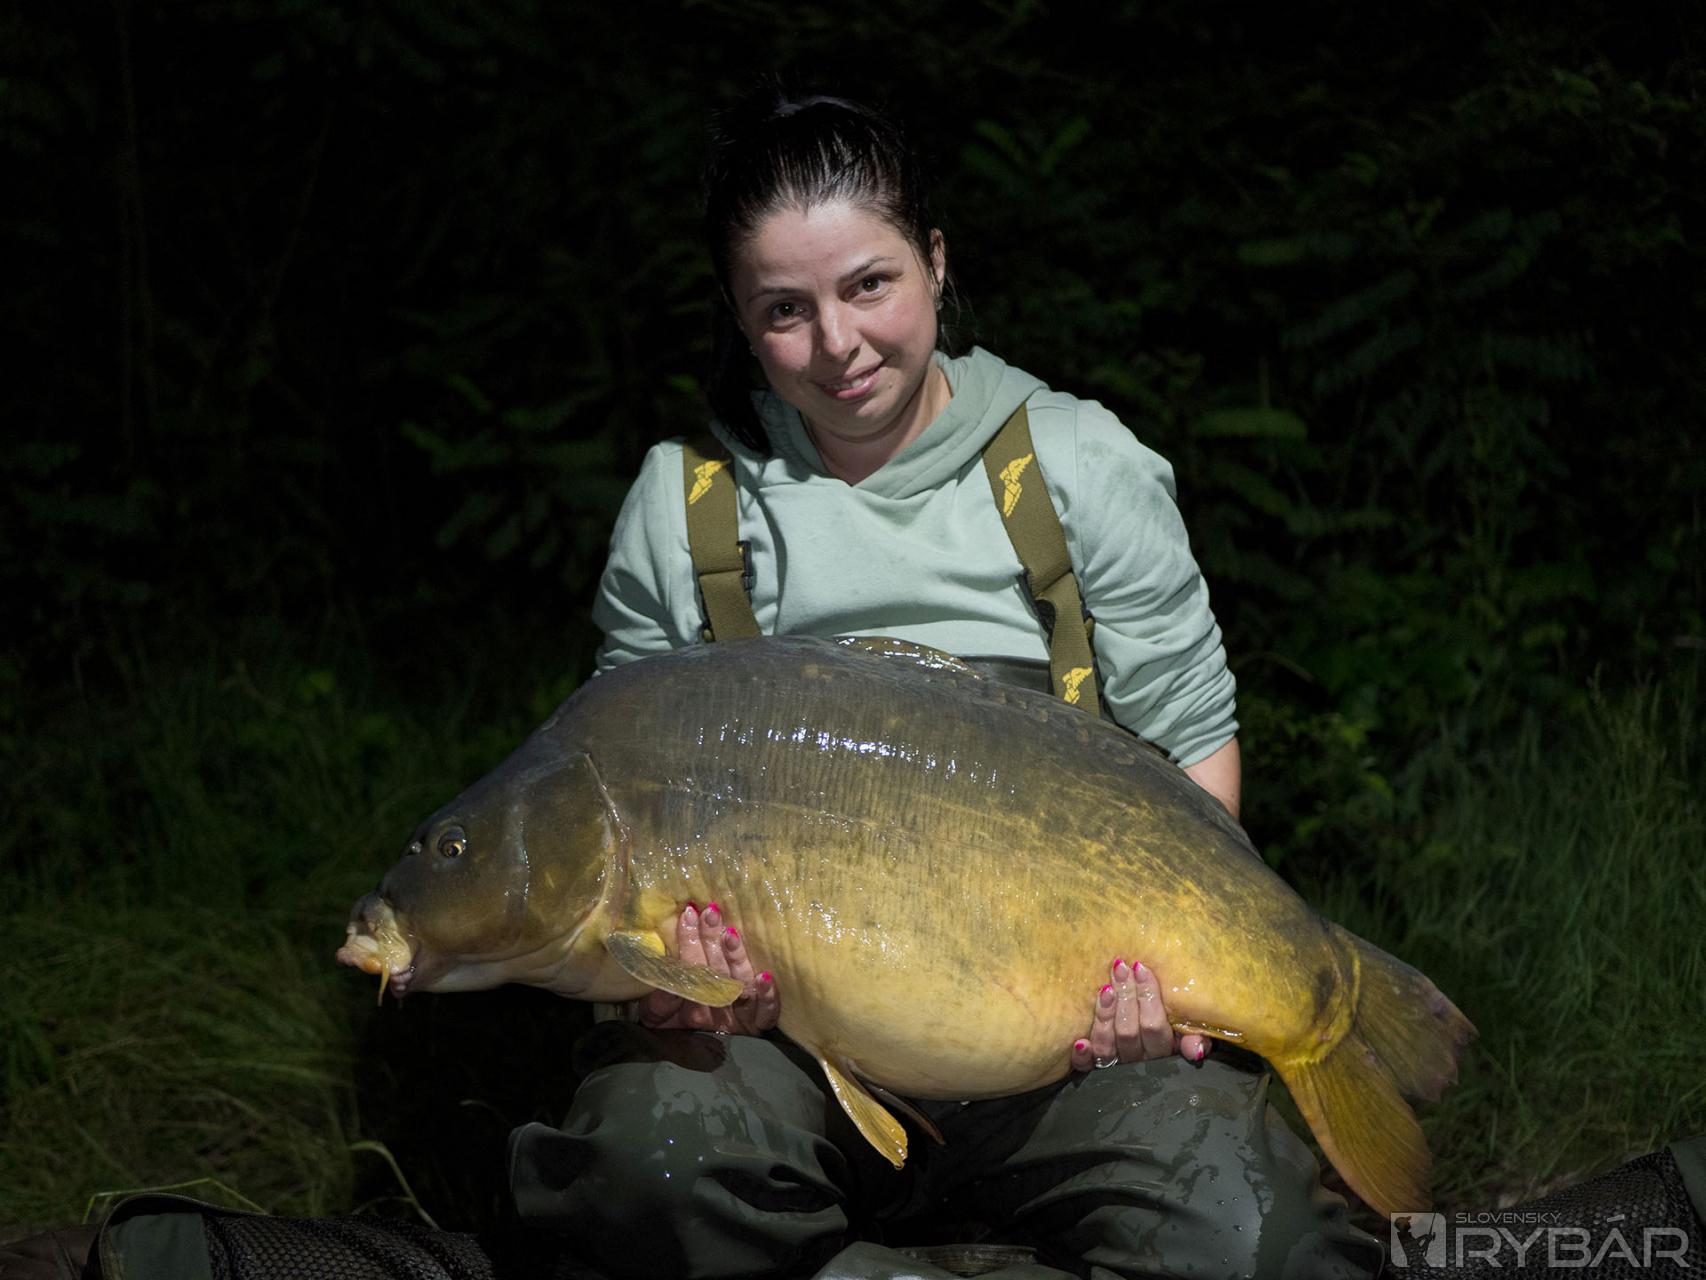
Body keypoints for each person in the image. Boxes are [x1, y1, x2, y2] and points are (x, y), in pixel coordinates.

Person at [501, 85, 1384, 1280]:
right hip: (784, 1044)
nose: (838, 343)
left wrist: (1156, 986)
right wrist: (678, 983)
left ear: (935, 259)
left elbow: (1191, 753)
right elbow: (620, 806)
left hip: (1066, 1048)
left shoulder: (1076, 463)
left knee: (1264, 1244)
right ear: (740, 320)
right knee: (642, 1176)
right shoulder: (683, 505)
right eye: (784, 309)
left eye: (869, 283)